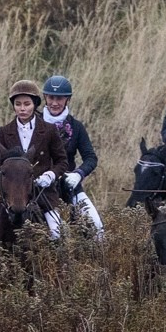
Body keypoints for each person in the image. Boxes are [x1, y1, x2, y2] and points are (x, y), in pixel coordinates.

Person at [0, 79, 71, 239]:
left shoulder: (49, 130)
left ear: (35, 105)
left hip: (43, 193)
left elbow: (62, 161)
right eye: (18, 104)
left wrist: (50, 175)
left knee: (57, 232)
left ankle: (59, 261)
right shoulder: (4, 131)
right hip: (11, 196)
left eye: (27, 104)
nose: (22, 109)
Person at [39, 76, 105, 237]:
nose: (54, 103)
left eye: (59, 98)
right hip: (40, 188)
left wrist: (78, 174)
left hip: (69, 186)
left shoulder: (76, 127)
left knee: (97, 226)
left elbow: (90, 157)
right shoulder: (35, 124)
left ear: (67, 99)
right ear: (45, 98)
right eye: (51, 97)